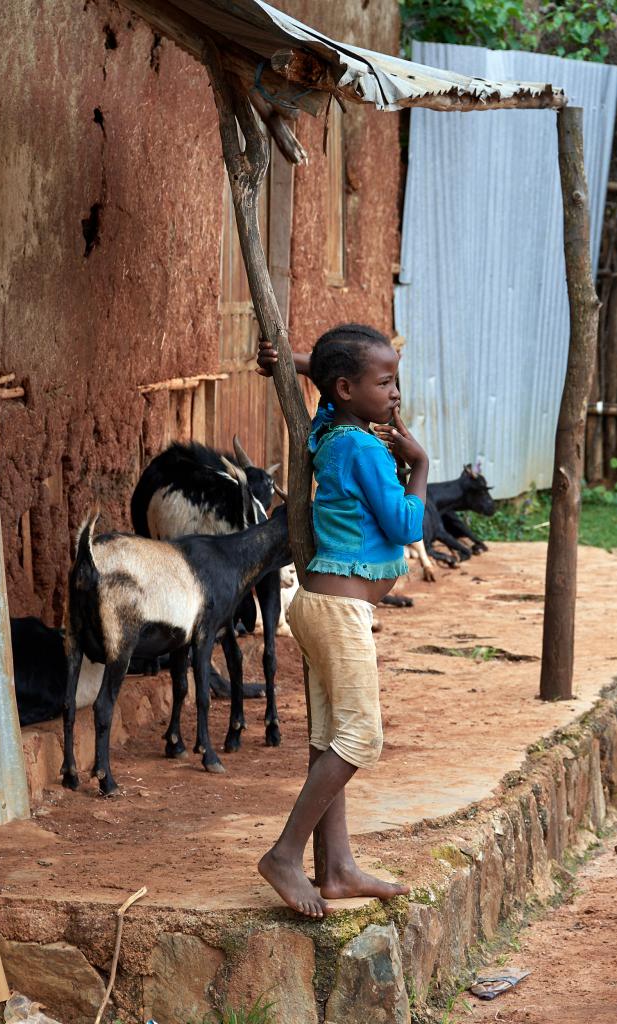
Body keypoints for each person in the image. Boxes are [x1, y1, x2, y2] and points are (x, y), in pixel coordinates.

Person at [255, 323, 428, 918]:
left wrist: (294, 362)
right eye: (386, 383)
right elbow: (407, 525)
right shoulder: (358, 446)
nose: (396, 394)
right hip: (340, 612)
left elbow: (333, 379)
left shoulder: (332, 426)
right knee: (361, 738)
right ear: (349, 388)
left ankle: (337, 868)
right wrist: (421, 467)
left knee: (331, 739)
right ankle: (284, 854)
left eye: (397, 381)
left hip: (321, 606)